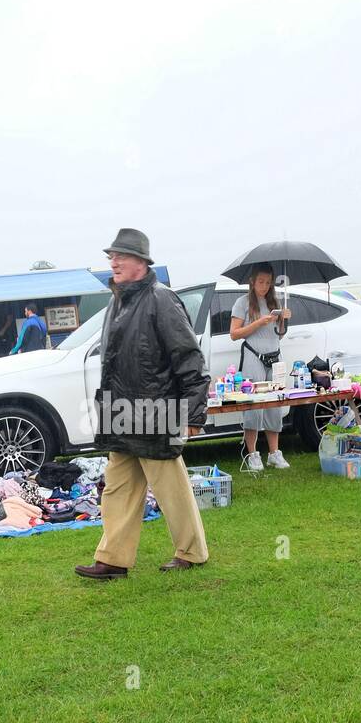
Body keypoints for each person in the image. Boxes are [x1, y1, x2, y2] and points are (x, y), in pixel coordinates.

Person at [75, 228, 210, 580]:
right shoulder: (117, 301)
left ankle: (192, 552)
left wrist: (194, 412)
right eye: (111, 257)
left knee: (171, 489)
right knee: (117, 489)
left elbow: (189, 358)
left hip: (156, 413)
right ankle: (113, 559)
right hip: (121, 414)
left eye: (121, 256)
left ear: (141, 262)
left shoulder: (162, 300)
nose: (113, 262)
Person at [230, 263, 291, 471]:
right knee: (253, 405)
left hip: (274, 356)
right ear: (252, 281)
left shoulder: (275, 302)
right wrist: (259, 322)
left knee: (275, 404)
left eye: (268, 282)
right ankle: (252, 454)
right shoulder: (242, 303)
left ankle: (274, 453)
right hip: (253, 356)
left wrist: (283, 321)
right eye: (260, 282)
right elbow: (234, 334)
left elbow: (279, 335)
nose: (264, 286)